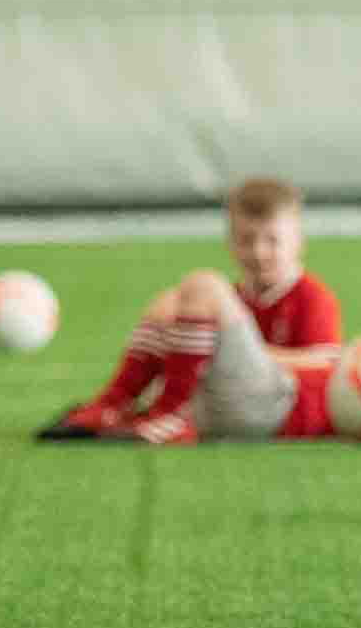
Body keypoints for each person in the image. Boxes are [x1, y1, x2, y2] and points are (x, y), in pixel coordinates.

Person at [36, 177, 343, 445]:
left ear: (298, 242)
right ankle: (114, 404)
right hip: (221, 408)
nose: (259, 252)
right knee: (172, 301)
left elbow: (328, 363)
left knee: (203, 285)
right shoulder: (236, 299)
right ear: (231, 243)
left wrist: (253, 351)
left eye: (272, 241)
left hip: (277, 410)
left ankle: (170, 414)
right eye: (247, 240)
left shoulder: (310, 296)